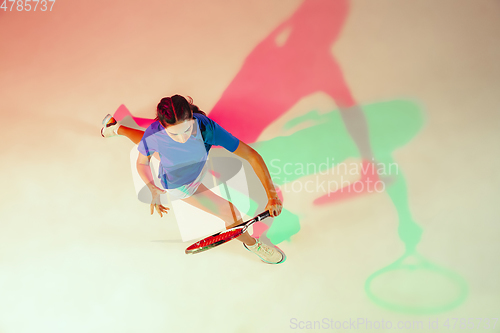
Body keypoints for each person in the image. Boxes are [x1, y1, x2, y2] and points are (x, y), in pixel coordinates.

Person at [101, 94, 285, 264]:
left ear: (192, 118)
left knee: (151, 147)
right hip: (181, 185)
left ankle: (116, 128)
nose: (182, 138)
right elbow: (142, 163)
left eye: (187, 130)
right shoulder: (154, 135)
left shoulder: (206, 127)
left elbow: (251, 156)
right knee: (231, 213)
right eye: (174, 134)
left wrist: (272, 196)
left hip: (197, 167)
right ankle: (252, 245)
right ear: (163, 128)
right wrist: (153, 187)